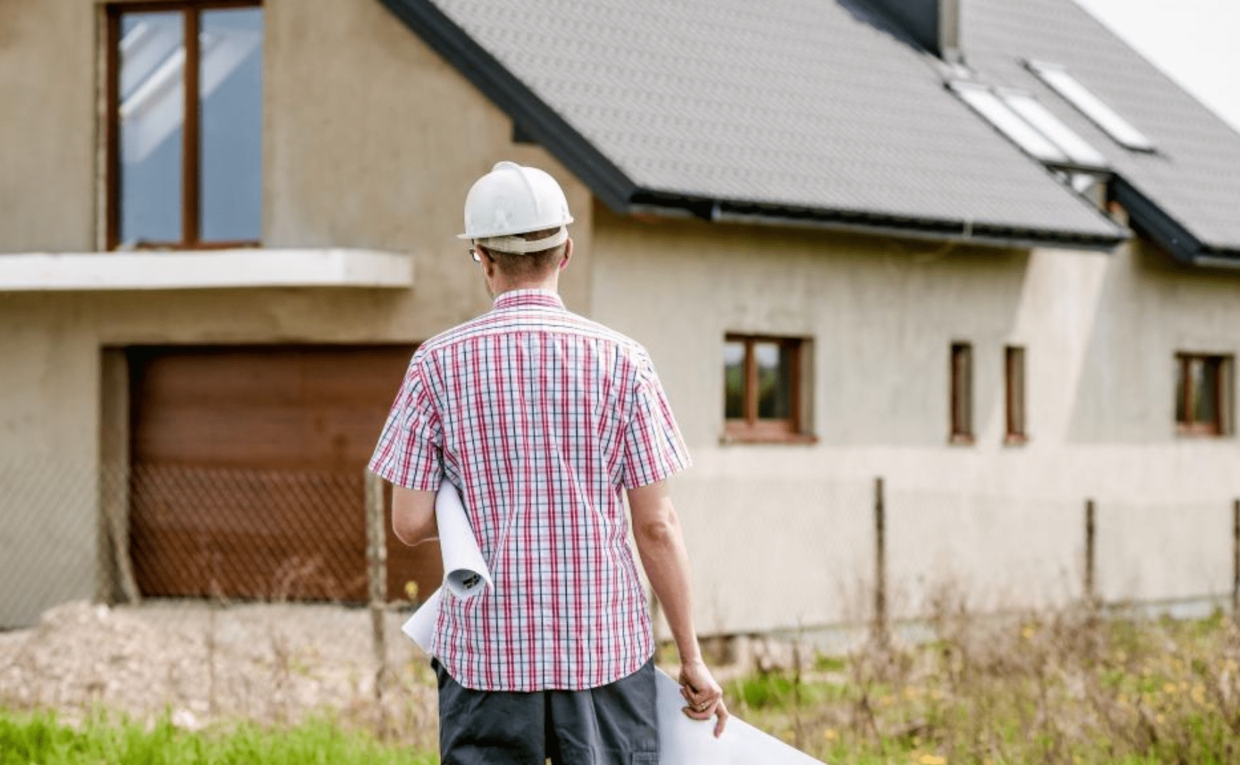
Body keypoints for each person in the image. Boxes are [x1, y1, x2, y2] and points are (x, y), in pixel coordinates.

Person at [370, 161, 727, 764]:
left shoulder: (435, 365)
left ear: (481, 258)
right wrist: (691, 657)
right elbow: (656, 525)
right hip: (603, 652)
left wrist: (480, 505)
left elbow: (408, 522)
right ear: (565, 250)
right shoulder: (624, 362)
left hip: (485, 656)